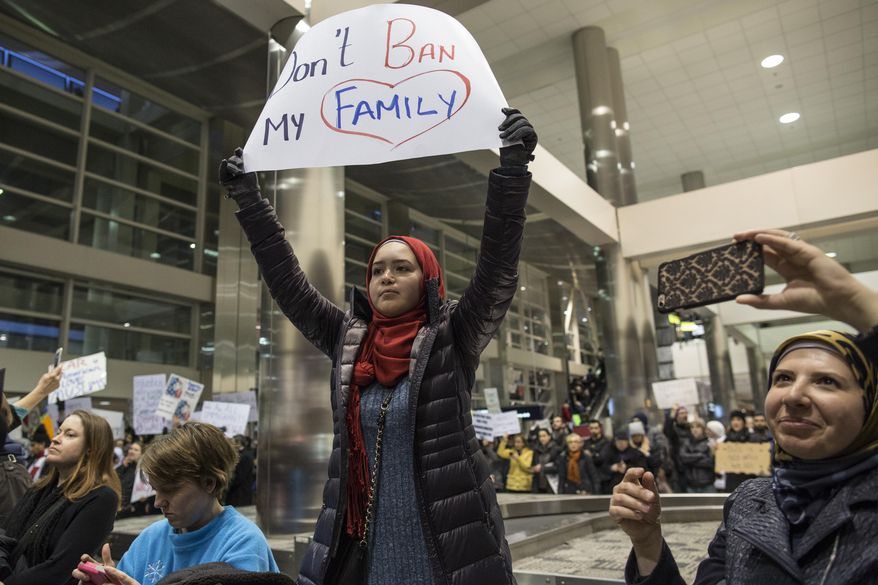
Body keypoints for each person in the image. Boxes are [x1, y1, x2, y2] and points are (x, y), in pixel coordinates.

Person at [219, 107, 537, 585]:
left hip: (446, 550)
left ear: (428, 279)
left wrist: (512, 170)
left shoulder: (454, 334)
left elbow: (496, 271)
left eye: (402, 267)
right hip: (363, 554)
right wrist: (250, 201)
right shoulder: (351, 340)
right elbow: (289, 285)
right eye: (377, 269)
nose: (386, 276)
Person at [609, 229, 878, 584]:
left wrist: (854, 302)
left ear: (870, 405)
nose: (793, 396)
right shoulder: (749, 502)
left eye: (826, 381)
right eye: (782, 379)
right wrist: (647, 545)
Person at [73, 422, 278, 585]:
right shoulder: (151, 538)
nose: (158, 502)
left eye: (170, 490)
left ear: (209, 483)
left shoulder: (243, 545)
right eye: (155, 489)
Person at [1, 410, 120, 585]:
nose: (56, 438)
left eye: (70, 435)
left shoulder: (101, 498)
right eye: (59, 431)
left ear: (90, 449)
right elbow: (4, 537)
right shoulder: (38, 489)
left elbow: (60, 568)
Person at [598, 429, 647, 494]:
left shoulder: (637, 454)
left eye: (624, 441)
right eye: (619, 441)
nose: (622, 444)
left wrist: (627, 468)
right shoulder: (607, 453)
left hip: (633, 488)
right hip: (611, 489)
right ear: (615, 442)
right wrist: (611, 468)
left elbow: (643, 469)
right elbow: (600, 468)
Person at [677, 419, 715, 493]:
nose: (694, 429)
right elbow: (683, 458)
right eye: (692, 427)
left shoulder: (709, 442)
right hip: (691, 484)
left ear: (703, 429)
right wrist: (700, 455)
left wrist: (690, 461)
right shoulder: (686, 443)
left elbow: (710, 462)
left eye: (698, 427)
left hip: (707, 484)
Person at [663, 405, 692, 492]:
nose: (684, 415)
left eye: (686, 413)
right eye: (682, 413)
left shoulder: (691, 428)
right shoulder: (674, 430)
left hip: (691, 465)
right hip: (678, 467)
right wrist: (671, 416)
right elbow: (667, 430)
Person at [724, 409, 754, 492]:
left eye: (738, 419)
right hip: (731, 479)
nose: (735, 422)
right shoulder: (726, 439)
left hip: (747, 480)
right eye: (733, 420)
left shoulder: (751, 438)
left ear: (743, 422)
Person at [225, 435, 255, 507]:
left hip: (240, 494)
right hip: (237, 493)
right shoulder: (242, 455)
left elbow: (239, 477)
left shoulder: (244, 457)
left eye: (232, 442)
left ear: (238, 443)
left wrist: (226, 484)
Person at [530, 428, 560, 493]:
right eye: (540, 436)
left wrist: (542, 468)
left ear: (549, 436)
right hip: (538, 483)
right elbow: (533, 464)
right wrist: (533, 468)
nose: (542, 438)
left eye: (544, 436)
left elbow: (558, 468)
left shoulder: (556, 449)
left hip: (551, 483)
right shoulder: (536, 449)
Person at [116, 441, 142, 512]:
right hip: (122, 508)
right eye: (131, 449)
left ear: (141, 454)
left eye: (136, 450)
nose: (131, 451)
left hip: (138, 510)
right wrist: (123, 466)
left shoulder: (144, 469)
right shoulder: (125, 467)